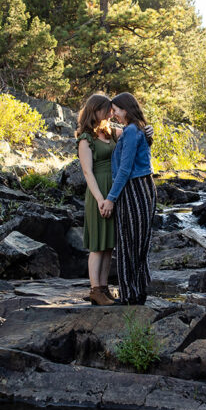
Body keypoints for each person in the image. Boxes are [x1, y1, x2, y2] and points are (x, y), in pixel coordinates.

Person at [99, 92, 156, 305]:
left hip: (134, 188)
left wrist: (111, 198)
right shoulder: (134, 129)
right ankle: (137, 291)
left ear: (126, 109)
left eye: (115, 110)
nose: (113, 115)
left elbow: (125, 169)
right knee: (137, 243)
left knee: (128, 244)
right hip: (142, 187)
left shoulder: (132, 131)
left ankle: (130, 295)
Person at [76, 93, 117, 306]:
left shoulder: (109, 132)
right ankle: (95, 290)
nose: (111, 113)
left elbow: (131, 131)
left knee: (109, 244)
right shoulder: (86, 138)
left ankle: (104, 287)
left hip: (113, 191)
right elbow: (87, 172)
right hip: (98, 192)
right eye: (107, 109)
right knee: (98, 245)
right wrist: (101, 199)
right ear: (96, 110)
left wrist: (148, 130)